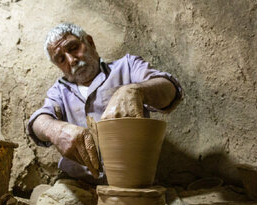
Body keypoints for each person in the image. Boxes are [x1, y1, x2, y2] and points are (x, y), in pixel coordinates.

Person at [27, 23, 183, 185]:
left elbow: (170, 90)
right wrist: (54, 129)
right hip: (77, 182)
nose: (72, 60)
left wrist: (136, 91)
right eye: (61, 59)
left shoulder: (127, 67)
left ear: (89, 42)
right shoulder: (59, 90)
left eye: (73, 48)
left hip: (130, 181)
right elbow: (39, 121)